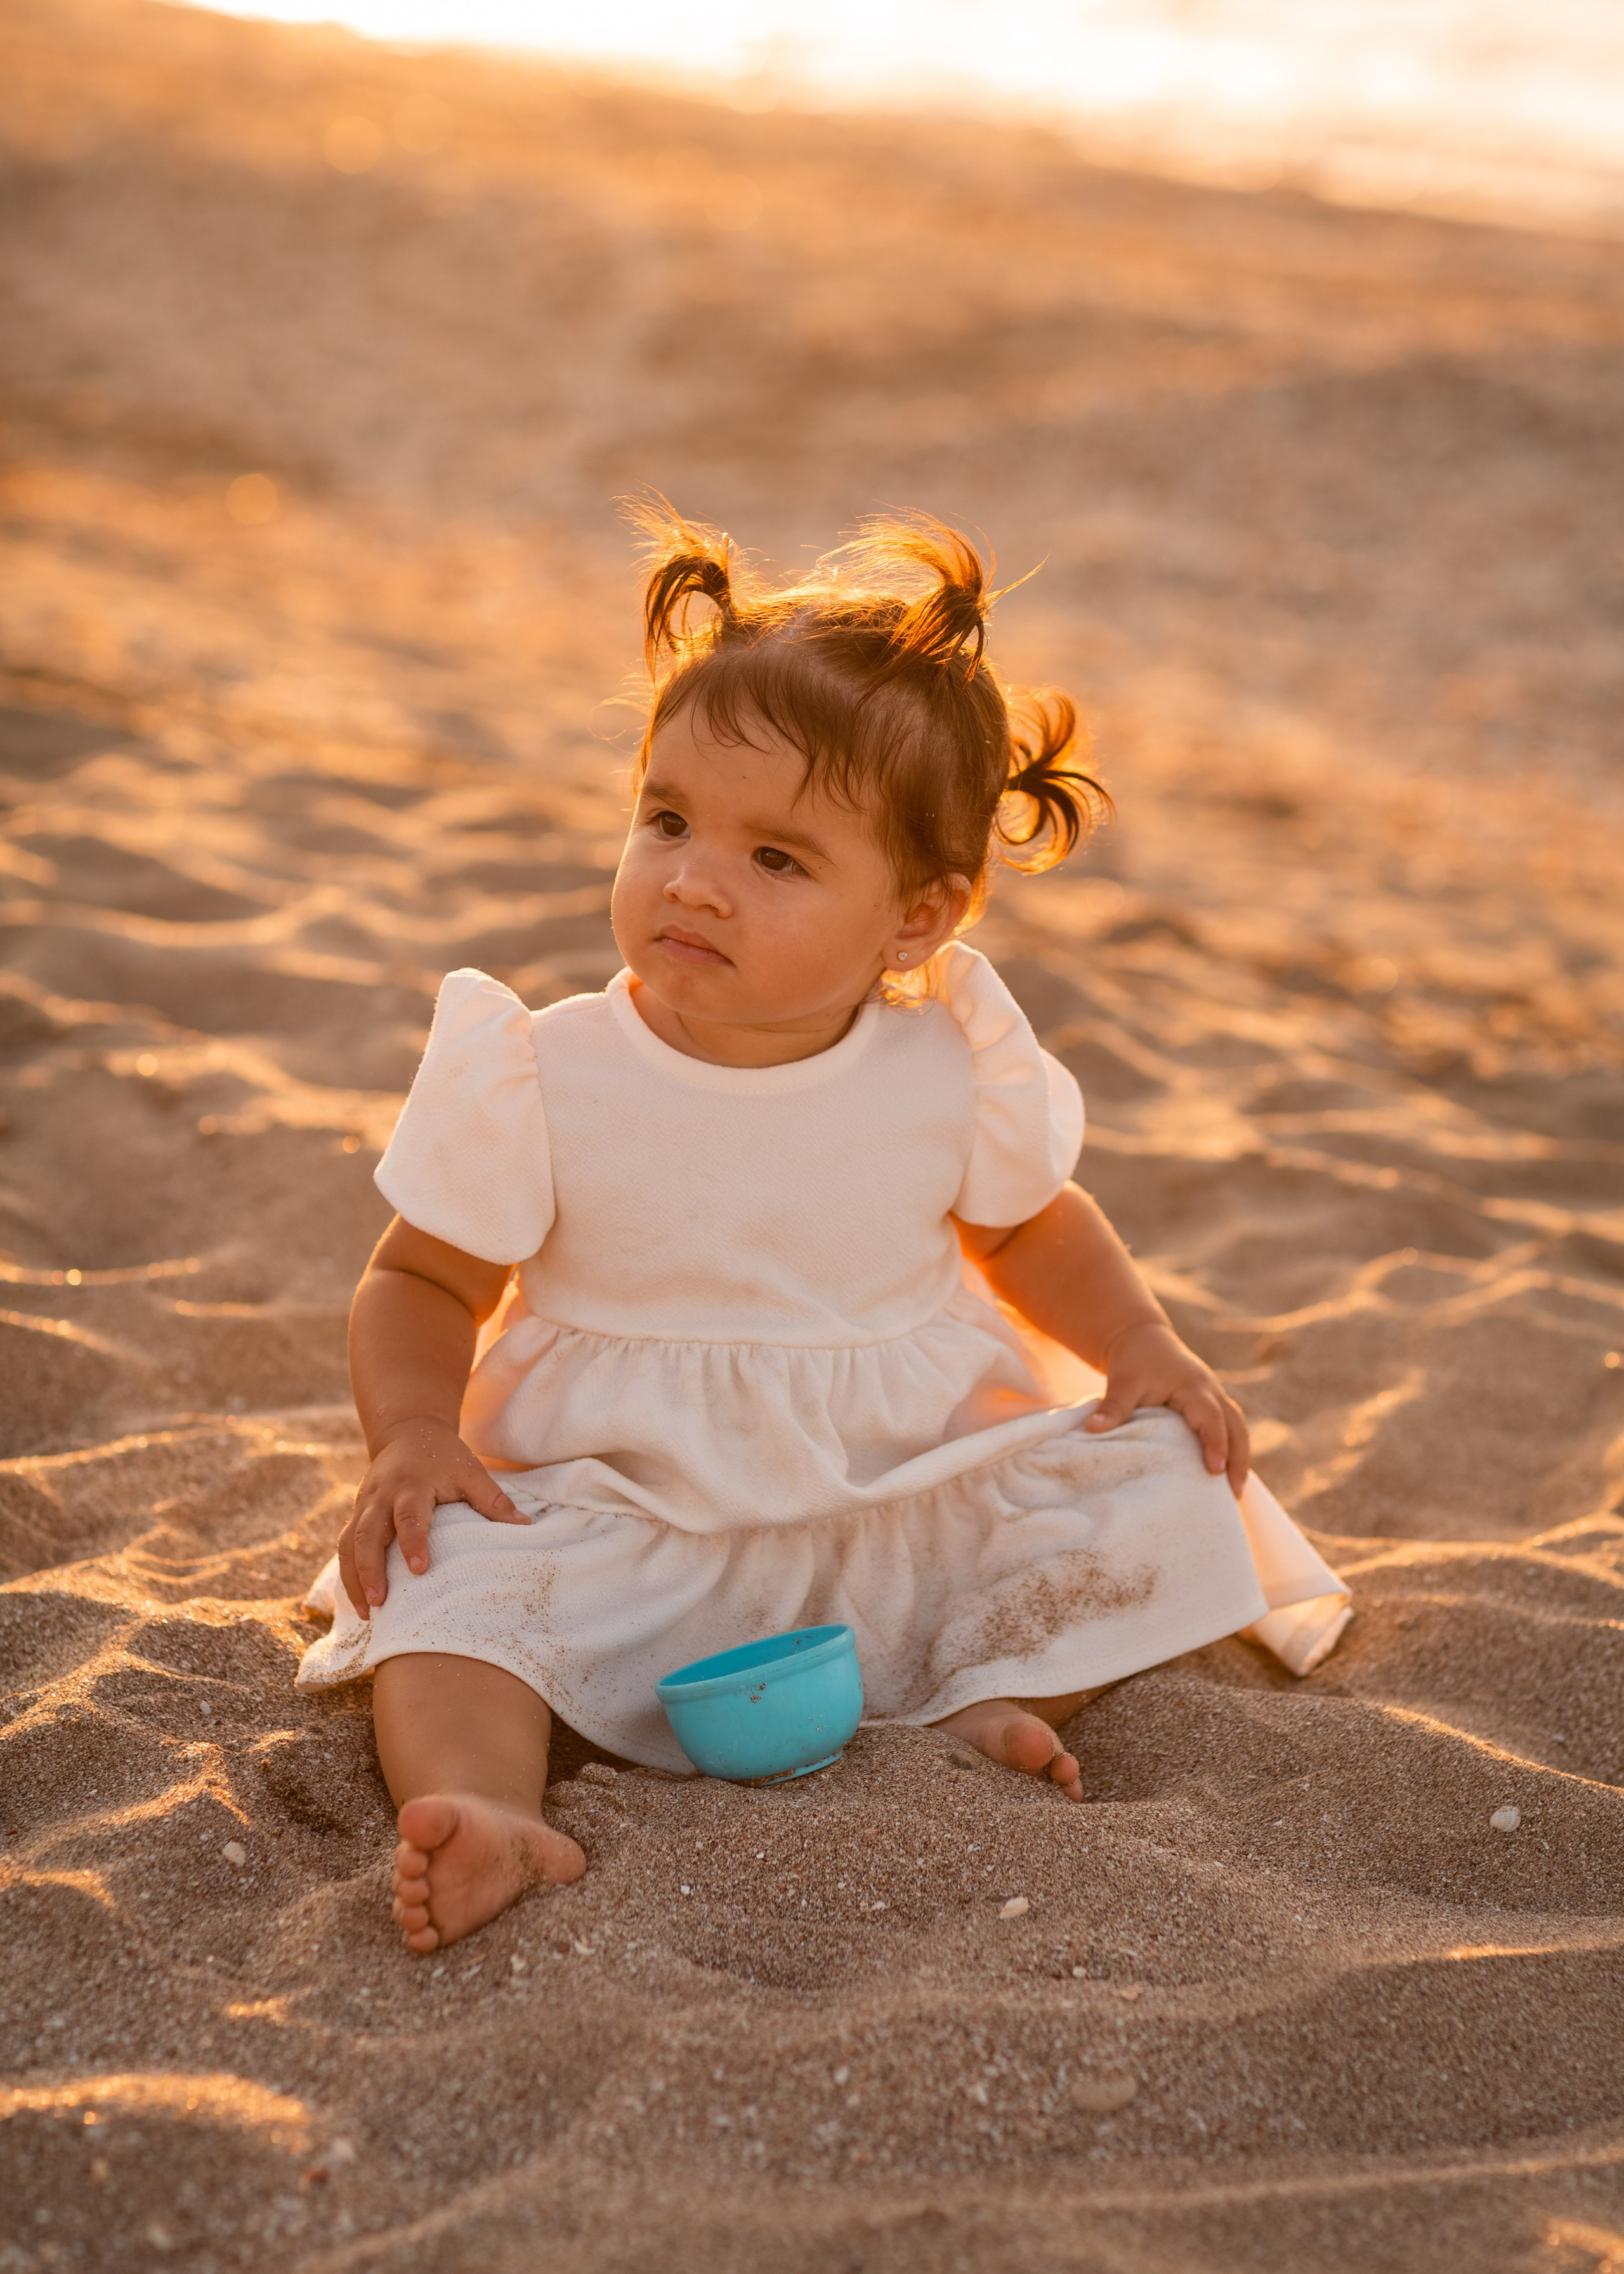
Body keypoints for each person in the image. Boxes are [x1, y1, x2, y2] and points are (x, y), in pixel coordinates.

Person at [298, 506, 1350, 1954]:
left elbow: (1031, 1226)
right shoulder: (544, 1070)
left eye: (777, 858)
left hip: (894, 1487)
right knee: (446, 1594)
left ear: (915, 917)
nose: (692, 878)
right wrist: (414, 1431)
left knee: (1166, 1478)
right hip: (626, 1508)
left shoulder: (943, 1064)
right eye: (664, 819)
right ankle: (491, 1807)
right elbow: (418, 1274)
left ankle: (985, 1699)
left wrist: (1139, 1342)